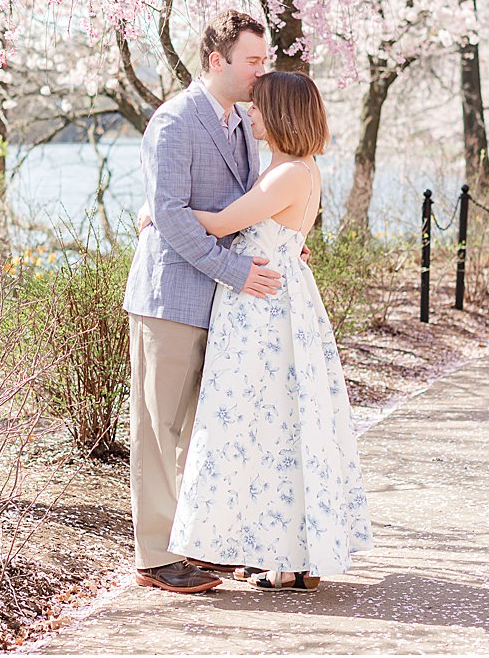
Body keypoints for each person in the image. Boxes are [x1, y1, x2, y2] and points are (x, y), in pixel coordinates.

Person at [167, 70, 372, 592]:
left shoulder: (290, 174)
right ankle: (288, 555)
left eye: (258, 108)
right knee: (279, 427)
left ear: (278, 114)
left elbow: (222, 223)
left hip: (265, 313)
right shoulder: (290, 170)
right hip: (272, 305)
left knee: (271, 424)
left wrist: (159, 211)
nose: (249, 114)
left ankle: (287, 557)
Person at [121, 9, 277, 595]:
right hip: (171, 296)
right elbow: (171, 217)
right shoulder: (174, 122)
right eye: (253, 61)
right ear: (218, 61)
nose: (262, 71)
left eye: (265, 60)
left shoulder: (242, 123)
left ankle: (201, 542)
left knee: (205, 428)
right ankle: (156, 557)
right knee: (159, 427)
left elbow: (242, 207)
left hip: (221, 299)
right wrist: (234, 271)